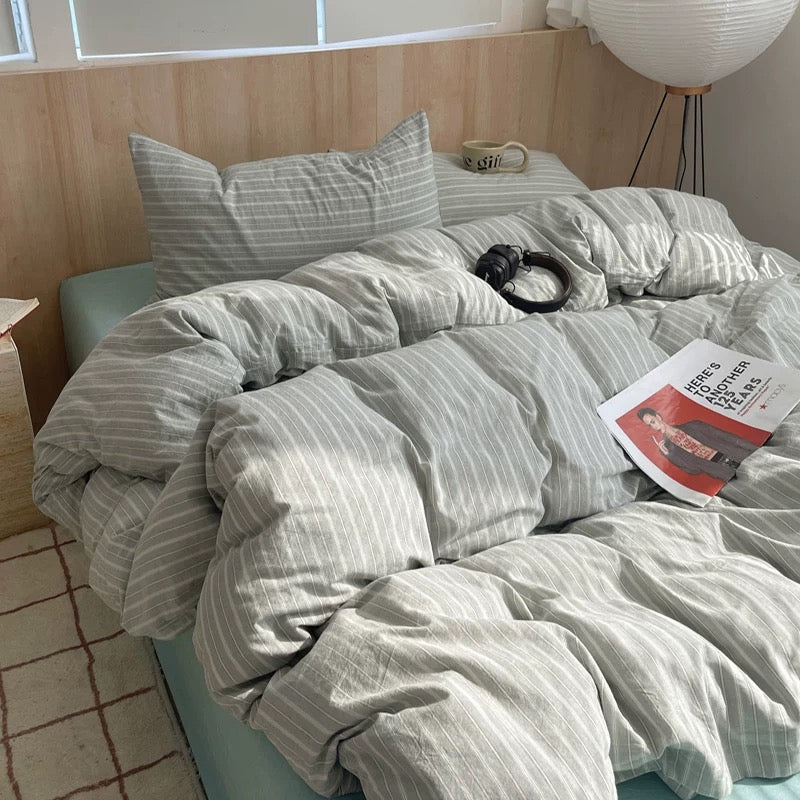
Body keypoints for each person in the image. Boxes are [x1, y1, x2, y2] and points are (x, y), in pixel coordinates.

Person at [636, 406, 759, 482]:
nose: (654, 426)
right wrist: (669, 455)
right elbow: (693, 470)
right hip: (725, 473)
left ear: (658, 417)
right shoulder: (667, 450)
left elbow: (726, 437)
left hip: (740, 455)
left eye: (653, 421)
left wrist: (756, 450)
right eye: (650, 425)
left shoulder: (693, 425)